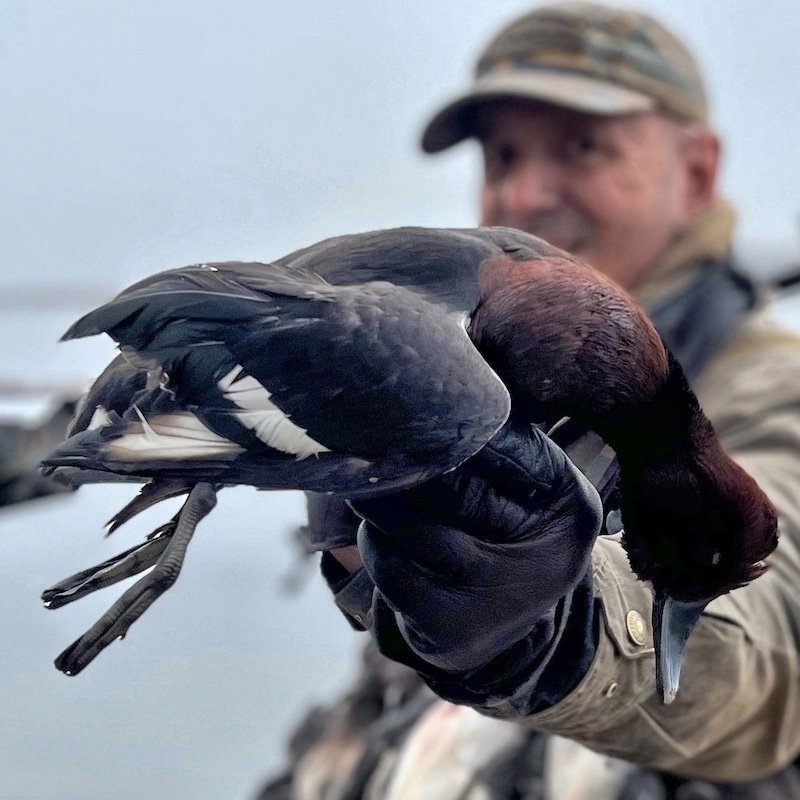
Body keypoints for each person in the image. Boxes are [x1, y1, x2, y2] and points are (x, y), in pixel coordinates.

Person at [262, 3, 800, 797]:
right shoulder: (494, 382)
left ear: (697, 172)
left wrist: (544, 625)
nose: (522, 194)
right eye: (500, 155)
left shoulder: (771, 388)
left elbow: (769, 644)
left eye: (582, 146)